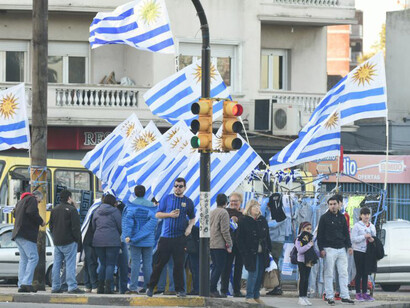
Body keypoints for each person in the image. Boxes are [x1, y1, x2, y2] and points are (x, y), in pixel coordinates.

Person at [146, 178, 195, 298]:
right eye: (176, 186)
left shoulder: (188, 201)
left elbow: (193, 217)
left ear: (185, 188)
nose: (178, 188)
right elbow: (157, 214)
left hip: (180, 238)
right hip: (166, 237)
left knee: (179, 265)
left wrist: (189, 228)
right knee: (159, 264)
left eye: (180, 186)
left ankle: (180, 290)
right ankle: (151, 287)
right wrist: (169, 215)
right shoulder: (167, 198)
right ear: (173, 187)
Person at [317, 196, 354, 306]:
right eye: (330, 204)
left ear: (339, 205)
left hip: (342, 248)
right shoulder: (324, 218)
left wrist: (349, 246)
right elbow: (320, 235)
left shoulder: (342, 217)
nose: (333, 206)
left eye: (334, 204)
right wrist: (321, 249)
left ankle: (345, 296)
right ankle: (329, 296)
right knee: (329, 274)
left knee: (343, 273)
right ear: (328, 205)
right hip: (329, 249)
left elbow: (346, 232)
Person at [122, 185, 158, 294]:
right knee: (148, 264)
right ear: (145, 192)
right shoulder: (152, 206)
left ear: (135, 193)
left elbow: (128, 223)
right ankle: (148, 287)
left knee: (135, 264)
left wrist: (128, 236)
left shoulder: (131, 206)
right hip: (148, 240)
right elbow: (153, 224)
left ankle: (133, 288)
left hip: (134, 240)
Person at [237, 200, 271, 305]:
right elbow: (239, 239)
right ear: (249, 208)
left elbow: (267, 236)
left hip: (262, 251)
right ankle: (249, 295)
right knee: (253, 274)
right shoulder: (244, 220)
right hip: (250, 252)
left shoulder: (262, 220)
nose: (257, 208)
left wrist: (269, 249)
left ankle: (256, 295)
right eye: (254, 206)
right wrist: (244, 252)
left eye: (258, 206)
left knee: (260, 273)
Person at [49, 190, 83, 294]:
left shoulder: (54, 210)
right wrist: (78, 241)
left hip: (57, 241)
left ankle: (55, 287)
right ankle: (72, 287)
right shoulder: (72, 210)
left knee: (57, 264)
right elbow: (76, 228)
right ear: (69, 197)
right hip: (69, 241)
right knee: (70, 264)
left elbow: (51, 226)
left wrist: (56, 236)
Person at [12, 190, 45, 293]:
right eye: (39, 201)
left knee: (24, 259)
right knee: (34, 257)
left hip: (18, 234)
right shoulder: (31, 199)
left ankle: (21, 284)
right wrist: (41, 221)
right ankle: (26, 283)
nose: (38, 203)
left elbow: (15, 214)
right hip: (26, 234)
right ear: (37, 197)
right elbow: (31, 212)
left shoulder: (20, 201)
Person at [92, 194, 122, 294]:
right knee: (110, 264)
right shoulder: (115, 211)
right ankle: (108, 288)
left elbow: (93, 226)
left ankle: (100, 288)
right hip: (112, 241)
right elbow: (120, 226)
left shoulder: (97, 211)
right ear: (113, 202)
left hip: (98, 241)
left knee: (103, 264)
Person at [221, 192, 244, 297]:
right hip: (228, 244)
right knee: (226, 267)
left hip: (240, 244)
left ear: (240, 202)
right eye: (232, 201)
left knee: (239, 269)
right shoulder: (225, 212)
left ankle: (237, 290)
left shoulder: (244, 213)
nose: (233, 203)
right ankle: (224, 290)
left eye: (236, 201)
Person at [351, 207, 376, 302]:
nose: (366, 216)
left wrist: (372, 239)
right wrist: (364, 236)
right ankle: (358, 293)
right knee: (360, 272)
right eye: (364, 214)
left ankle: (365, 293)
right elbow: (353, 239)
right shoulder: (357, 226)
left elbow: (374, 238)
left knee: (366, 272)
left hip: (368, 252)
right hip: (358, 251)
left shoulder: (372, 226)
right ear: (361, 215)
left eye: (368, 214)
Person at [210, 194, 232, 298]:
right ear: (226, 202)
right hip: (220, 244)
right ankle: (212, 288)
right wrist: (229, 243)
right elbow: (224, 230)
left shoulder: (212, 212)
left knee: (215, 266)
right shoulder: (224, 212)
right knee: (219, 267)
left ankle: (211, 288)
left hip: (211, 243)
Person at [295, 222, 315, 306]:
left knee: (307, 279)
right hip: (301, 260)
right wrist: (309, 245)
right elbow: (300, 250)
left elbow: (313, 249)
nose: (309, 231)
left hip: (309, 260)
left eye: (310, 229)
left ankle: (305, 296)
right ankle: (300, 297)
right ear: (303, 229)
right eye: (307, 229)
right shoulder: (299, 238)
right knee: (303, 278)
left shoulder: (310, 238)